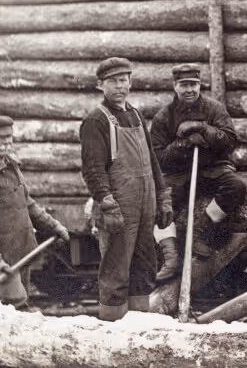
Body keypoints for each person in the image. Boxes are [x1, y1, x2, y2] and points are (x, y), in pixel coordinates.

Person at [80, 57, 172, 321]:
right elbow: (93, 169)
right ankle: (112, 327)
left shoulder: (135, 115)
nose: (120, 86)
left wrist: (163, 197)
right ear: (101, 85)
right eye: (113, 81)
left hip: (145, 201)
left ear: (130, 82)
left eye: (124, 80)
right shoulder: (96, 120)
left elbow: (152, 160)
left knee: (145, 264)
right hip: (120, 203)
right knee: (117, 268)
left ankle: (138, 325)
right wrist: (107, 203)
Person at [149, 63, 247, 282]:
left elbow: (230, 141)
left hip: (214, 169)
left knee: (236, 187)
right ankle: (170, 258)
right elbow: (157, 158)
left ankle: (202, 231)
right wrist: (182, 144)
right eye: (184, 85)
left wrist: (204, 129)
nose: (189, 90)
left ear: (200, 85)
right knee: (160, 203)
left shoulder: (214, 109)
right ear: (175, 86)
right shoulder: (163, 117)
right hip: (178, 174)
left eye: (193, 84)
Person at [0, 116, 70, 309]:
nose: (7, 142)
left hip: (20, 254)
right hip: (1, 260)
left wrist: (53, 226)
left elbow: (27, 204)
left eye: (9, 137)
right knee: (15, 307)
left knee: (19, 307)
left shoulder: (10, 166)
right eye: (0, 138)